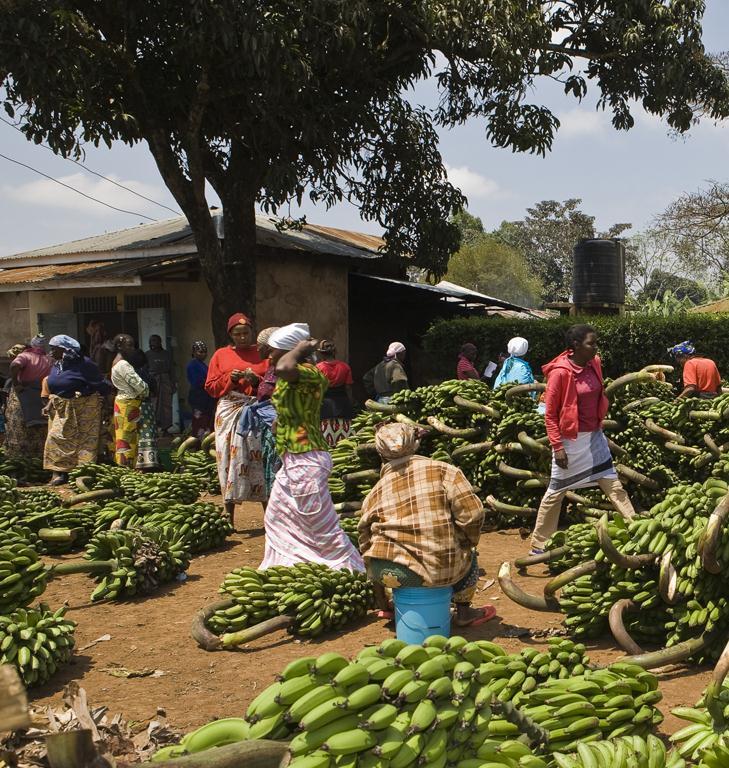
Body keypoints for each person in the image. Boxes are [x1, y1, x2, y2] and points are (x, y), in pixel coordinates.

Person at [358, 421, 495, 626]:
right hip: (436, 569)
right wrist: (467, 541)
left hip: (389, 573)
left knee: (378, 555)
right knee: (470, 554)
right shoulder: (445, 471)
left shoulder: (375, 491)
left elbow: (364, 538)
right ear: (414, 445)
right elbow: (473, 515)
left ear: (381, 454)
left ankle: (388, 608)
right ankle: (465, 612)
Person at [259, 323, 364, 571]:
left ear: (288, 351)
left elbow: (285, 366)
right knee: (277, 517)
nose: (268, 355)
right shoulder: (290, 376)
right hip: (292, 459)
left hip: (306, 458)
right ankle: (286, 567)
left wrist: (299, 349)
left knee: (320, 525)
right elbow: (292, 403)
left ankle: (351, 570)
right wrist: (280, 421)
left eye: (273, 350)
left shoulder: (308, 372)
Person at [529, 324, 636, 554]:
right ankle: (539, 544)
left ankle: (636, 527)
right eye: (591, 343)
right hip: (569, 441)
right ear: (576, 346)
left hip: (594, 437)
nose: (595, 348)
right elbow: (549, 414)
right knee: (556, 492)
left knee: (613, 485)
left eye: (596, 342)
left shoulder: (593, 364)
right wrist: (557, 446)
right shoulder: (560, 373)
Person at [205, 313, 269, 523]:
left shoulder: (262, 354)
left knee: (259, 456)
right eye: (237, 334)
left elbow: (271, 383)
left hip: (255, 408)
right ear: (230, 334)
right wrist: (229, 380)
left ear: (252, 332)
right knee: (227, 459)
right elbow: (211, 387)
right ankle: (229, 514)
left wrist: (256, 380)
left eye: (246, 333)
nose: (242, 337)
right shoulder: (220, 355)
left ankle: (268, 515)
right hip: (229, 410)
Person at [43, 335, 109, 485]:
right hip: (62, 408)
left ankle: (83, 472)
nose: (51, 352)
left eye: (54, 349)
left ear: (66, 350)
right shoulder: (58, 364)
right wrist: (49, 404)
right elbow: (54, 388)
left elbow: (100, 384)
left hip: (84, 409)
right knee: (55, 438)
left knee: (84, 441)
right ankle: (59, 472)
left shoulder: (85, 364)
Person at [5, 336, 52, 460]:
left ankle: (21, 458)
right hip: (42, 395)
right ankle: (40, 457)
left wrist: (16, 383)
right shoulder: (48, 359)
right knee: (41, 425)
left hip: (24, 394)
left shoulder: (25, 356)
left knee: (21, 424)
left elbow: (14, 365)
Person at [110, 334, 149, 467]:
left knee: (123, 437)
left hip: (122, 402)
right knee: (127, 439)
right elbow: (139, 385)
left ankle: (124, 468)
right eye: (129, 345)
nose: (133, 349)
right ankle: (126, 470)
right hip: (128, 403)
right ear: (120, 346)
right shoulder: (123, 364)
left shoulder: (116, 361)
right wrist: (146, 390)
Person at [316, 339, 354, 447]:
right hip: (343, 404)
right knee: (344, 438)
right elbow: (348, 388)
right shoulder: (345, 367)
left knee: (326, 437)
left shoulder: (318, 368)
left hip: (325, 405)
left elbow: (318, 389)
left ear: (321, 353)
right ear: (334, 351)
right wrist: (350, 403)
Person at [128, 348, 159, 470]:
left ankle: (137, 462)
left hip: (133, 406)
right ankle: (150, 462)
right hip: (147, 406)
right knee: (148, 431)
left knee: (136, 433)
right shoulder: (148, 375)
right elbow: (155, 392)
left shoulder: (130, 374)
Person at [146, 334, 176, 432]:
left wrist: (173, 383)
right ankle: (154, 428)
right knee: (154, 404)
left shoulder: (166, 354)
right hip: (153, 381)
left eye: (155, 341)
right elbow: (145, 371)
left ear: (160, 342)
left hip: (165, 381)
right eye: (152, 341)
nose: (153, 343)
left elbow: (172, 369)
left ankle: (166, 428)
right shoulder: (147, 355)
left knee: (166, 405)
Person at [186, 341, 215, 438]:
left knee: (206, 420)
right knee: (199, 420)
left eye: (204, 352)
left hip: (206, 398)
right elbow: (197, 381)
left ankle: (205, 441)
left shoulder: (203, 365)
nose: (203, 354)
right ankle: (197, 442)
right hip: (198, 397)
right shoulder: (192, 365)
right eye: (200, 352)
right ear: (193, 353)